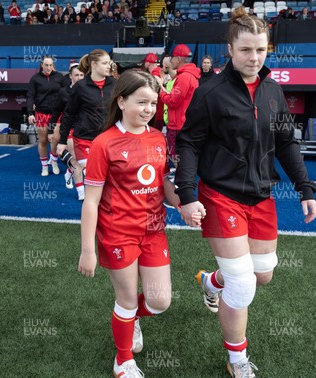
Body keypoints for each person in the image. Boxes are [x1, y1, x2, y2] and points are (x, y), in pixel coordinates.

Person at [174, 7, 316, 377]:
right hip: (221, 195)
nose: (253, 58)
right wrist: (187, 193)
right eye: (246, 51)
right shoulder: (211, 92)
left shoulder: (273, 91)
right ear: (230, 50)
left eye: (260, 50)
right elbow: (188, 143)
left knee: (263, 274)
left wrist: (305, 187)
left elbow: (286, 143)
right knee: (242, 284)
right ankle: (237, 359)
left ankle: (211, 281)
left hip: (261, 195)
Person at [78, 70, 185, 378]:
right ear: (122, 101)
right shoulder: (104, 143)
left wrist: (180, 201)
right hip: (117, 234)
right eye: (142, 102)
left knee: (160, 300)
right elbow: (91, 201)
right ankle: (123, 360)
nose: (149, 110)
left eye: (153, 103)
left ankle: (129, 318)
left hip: (153, 231)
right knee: (125, 300)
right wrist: (88, 250)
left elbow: (162, 181)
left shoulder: (158, 138)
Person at [59, 49, 116, 201]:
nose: (108, 66)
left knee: (110, 179)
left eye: (109, 63)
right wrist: (62, 141)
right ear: (94, 64)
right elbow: (69, 113)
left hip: (109, 139)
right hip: (85, 139)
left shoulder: (115, 84)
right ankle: (88, 205)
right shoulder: (81, 87)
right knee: (92, 175)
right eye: (104, 63)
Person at [157, 44, 200, 167]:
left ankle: (181, 183)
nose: (170, 62)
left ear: (178, 59)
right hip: (183, 124)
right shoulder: (188, 76)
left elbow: (173, 101)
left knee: (177, 159)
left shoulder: (184, 77)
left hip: (178, 126)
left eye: (172, 58)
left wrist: (161, 90)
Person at [27, 56, 64, 177]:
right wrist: (30, 113)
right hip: (42, 114)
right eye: (46, 65)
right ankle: (44, 166)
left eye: (51, 65)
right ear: (42, 65)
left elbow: (66, 92)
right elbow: (30, 96)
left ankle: (53, 162)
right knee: (43, 141)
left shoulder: (59, 77)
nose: (49, 67)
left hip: (57, 114)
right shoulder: (35, 79)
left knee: (55, 139)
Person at [51, 61, 85, 191]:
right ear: (70, 76)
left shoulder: (87, 90)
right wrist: (51, 129)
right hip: (69, 126)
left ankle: (68, 173)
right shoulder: (63, 92)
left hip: (84, 128)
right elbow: (56, 111)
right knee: (75, 158)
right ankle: (81, 191)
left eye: (82, 75)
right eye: (76, 75)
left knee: (82, 160)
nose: (79, 78)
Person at [143, 53, 165, 131]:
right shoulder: (160, 70)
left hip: (156, 112)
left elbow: (158, 81)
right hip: (161, 111)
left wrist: (161, 87)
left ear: (148, 63)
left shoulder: (154, 72)